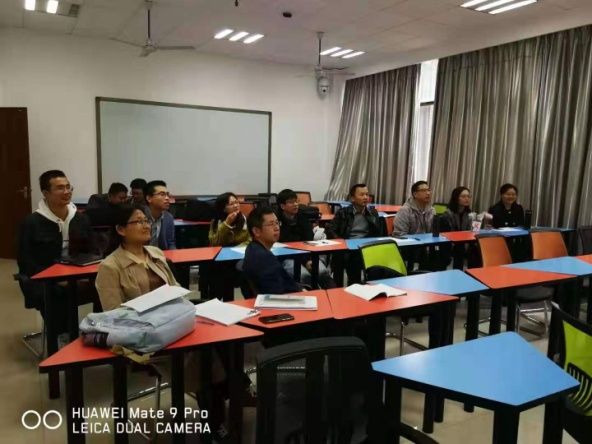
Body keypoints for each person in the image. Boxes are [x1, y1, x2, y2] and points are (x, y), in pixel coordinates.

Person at [95, 204, 230, 442]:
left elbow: (176, 291)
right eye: (138, 221)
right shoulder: (110, 266)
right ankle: (216, 415)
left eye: (146, 221)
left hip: (175, 324)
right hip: (142, 336)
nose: (146, 225)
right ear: (120, 229)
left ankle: (223, 398)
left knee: (222, 337)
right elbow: (115, 317)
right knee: (203, 352)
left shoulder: (156, 253)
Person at [18, 170, 97, 341]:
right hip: (44, 279)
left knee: (105, 285)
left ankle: (98, 332)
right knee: (55, 295)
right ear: (46, 193)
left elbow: (93, 252)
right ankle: (62, 338)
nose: (66, 192)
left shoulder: (81, 219)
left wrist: (84, 275)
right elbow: (26, 260)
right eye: (60, 188)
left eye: (68, 187)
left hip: (77, 275)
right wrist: (57, 279)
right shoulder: (32, 222)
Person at [276, 189, 336, 289]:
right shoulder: (276, 221)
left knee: (323, 272)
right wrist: (304, 261)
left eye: (296, 201)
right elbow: (284, 246)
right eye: (291, 202)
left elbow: (309, 241)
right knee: (304, 276)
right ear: (282, 206)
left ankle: (332, 295)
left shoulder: (303, 217)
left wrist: (307, 260)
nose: (295, 204)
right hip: (287, 258)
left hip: (307, 256)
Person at [325, 184, 381, 284]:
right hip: (347, 247)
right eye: (362, 195)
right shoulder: (343, 212)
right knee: (348, 259)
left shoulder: (372, 213)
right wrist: (341, 242)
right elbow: (330, 229)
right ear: (353, 198)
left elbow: (378, 233)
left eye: (367, 194)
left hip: (366, 246)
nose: (365, 197)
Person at [243, 207, 301, 294]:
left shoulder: (253, 248)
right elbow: (277, 292)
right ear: (256, 231)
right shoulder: (263, 257)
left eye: (277, 223)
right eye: (271, 224)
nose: (277, 228)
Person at [208, 193, 251, 301]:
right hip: (221, 259)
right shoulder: (216, 222)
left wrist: (234, 250)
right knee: (217, 270)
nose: (236, 205)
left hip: (239, 256)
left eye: (237, 202)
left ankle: (230, 300)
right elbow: (214, 242)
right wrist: (226, 224)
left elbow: (250, 240)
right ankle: (216, 300)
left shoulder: (244, 220)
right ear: (223, 208)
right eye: (232, 204)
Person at [440, 187, 478, 269]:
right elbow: (448, 232)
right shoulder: (448, 214)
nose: (466, 199)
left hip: (464, 242)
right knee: (459, 248)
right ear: (456, 198)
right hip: (451, 242)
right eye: (463, 196)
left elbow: (470, 230)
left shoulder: (469, 214)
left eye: (468, 196)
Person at [144, 180, 176, 250]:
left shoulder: (168, 217)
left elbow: (170, 242)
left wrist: (175, 254)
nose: (167, 198)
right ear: (149, 198)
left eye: (168, 195)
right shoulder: (140, 216)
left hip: (162, 254)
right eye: (162, 194)